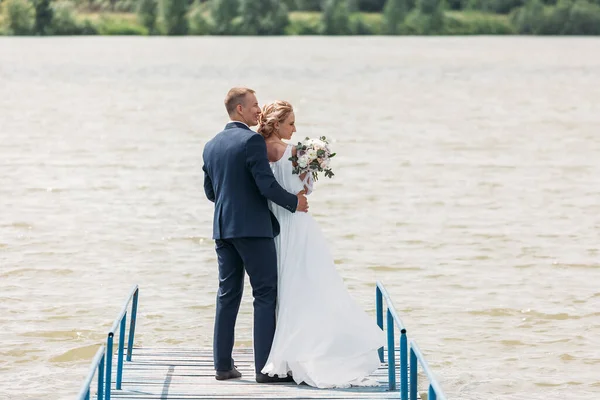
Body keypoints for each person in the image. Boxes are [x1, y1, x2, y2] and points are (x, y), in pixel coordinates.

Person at [259, 100, 385, 388]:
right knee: (311, 286)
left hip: (273, 227)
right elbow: (304, 191)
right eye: (290, 123)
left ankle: (287, 356)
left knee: (284, 292)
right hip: (298, 224)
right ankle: (308, 353)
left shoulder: (258, 150)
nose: (295, 128)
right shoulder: (292, 153)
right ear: (277, 124)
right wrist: (308, 170)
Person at [202, 88, 309, 383]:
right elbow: (265, 185)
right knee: (264, 295)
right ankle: (265, 370)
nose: (258, 111)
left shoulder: (211, 145)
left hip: (223, 229)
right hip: (253, 229)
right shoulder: (251, 140)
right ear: (239, 109)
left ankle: (223, 366)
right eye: (253, 106)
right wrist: (294, 202)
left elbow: (211, 192)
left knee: (227, 296)